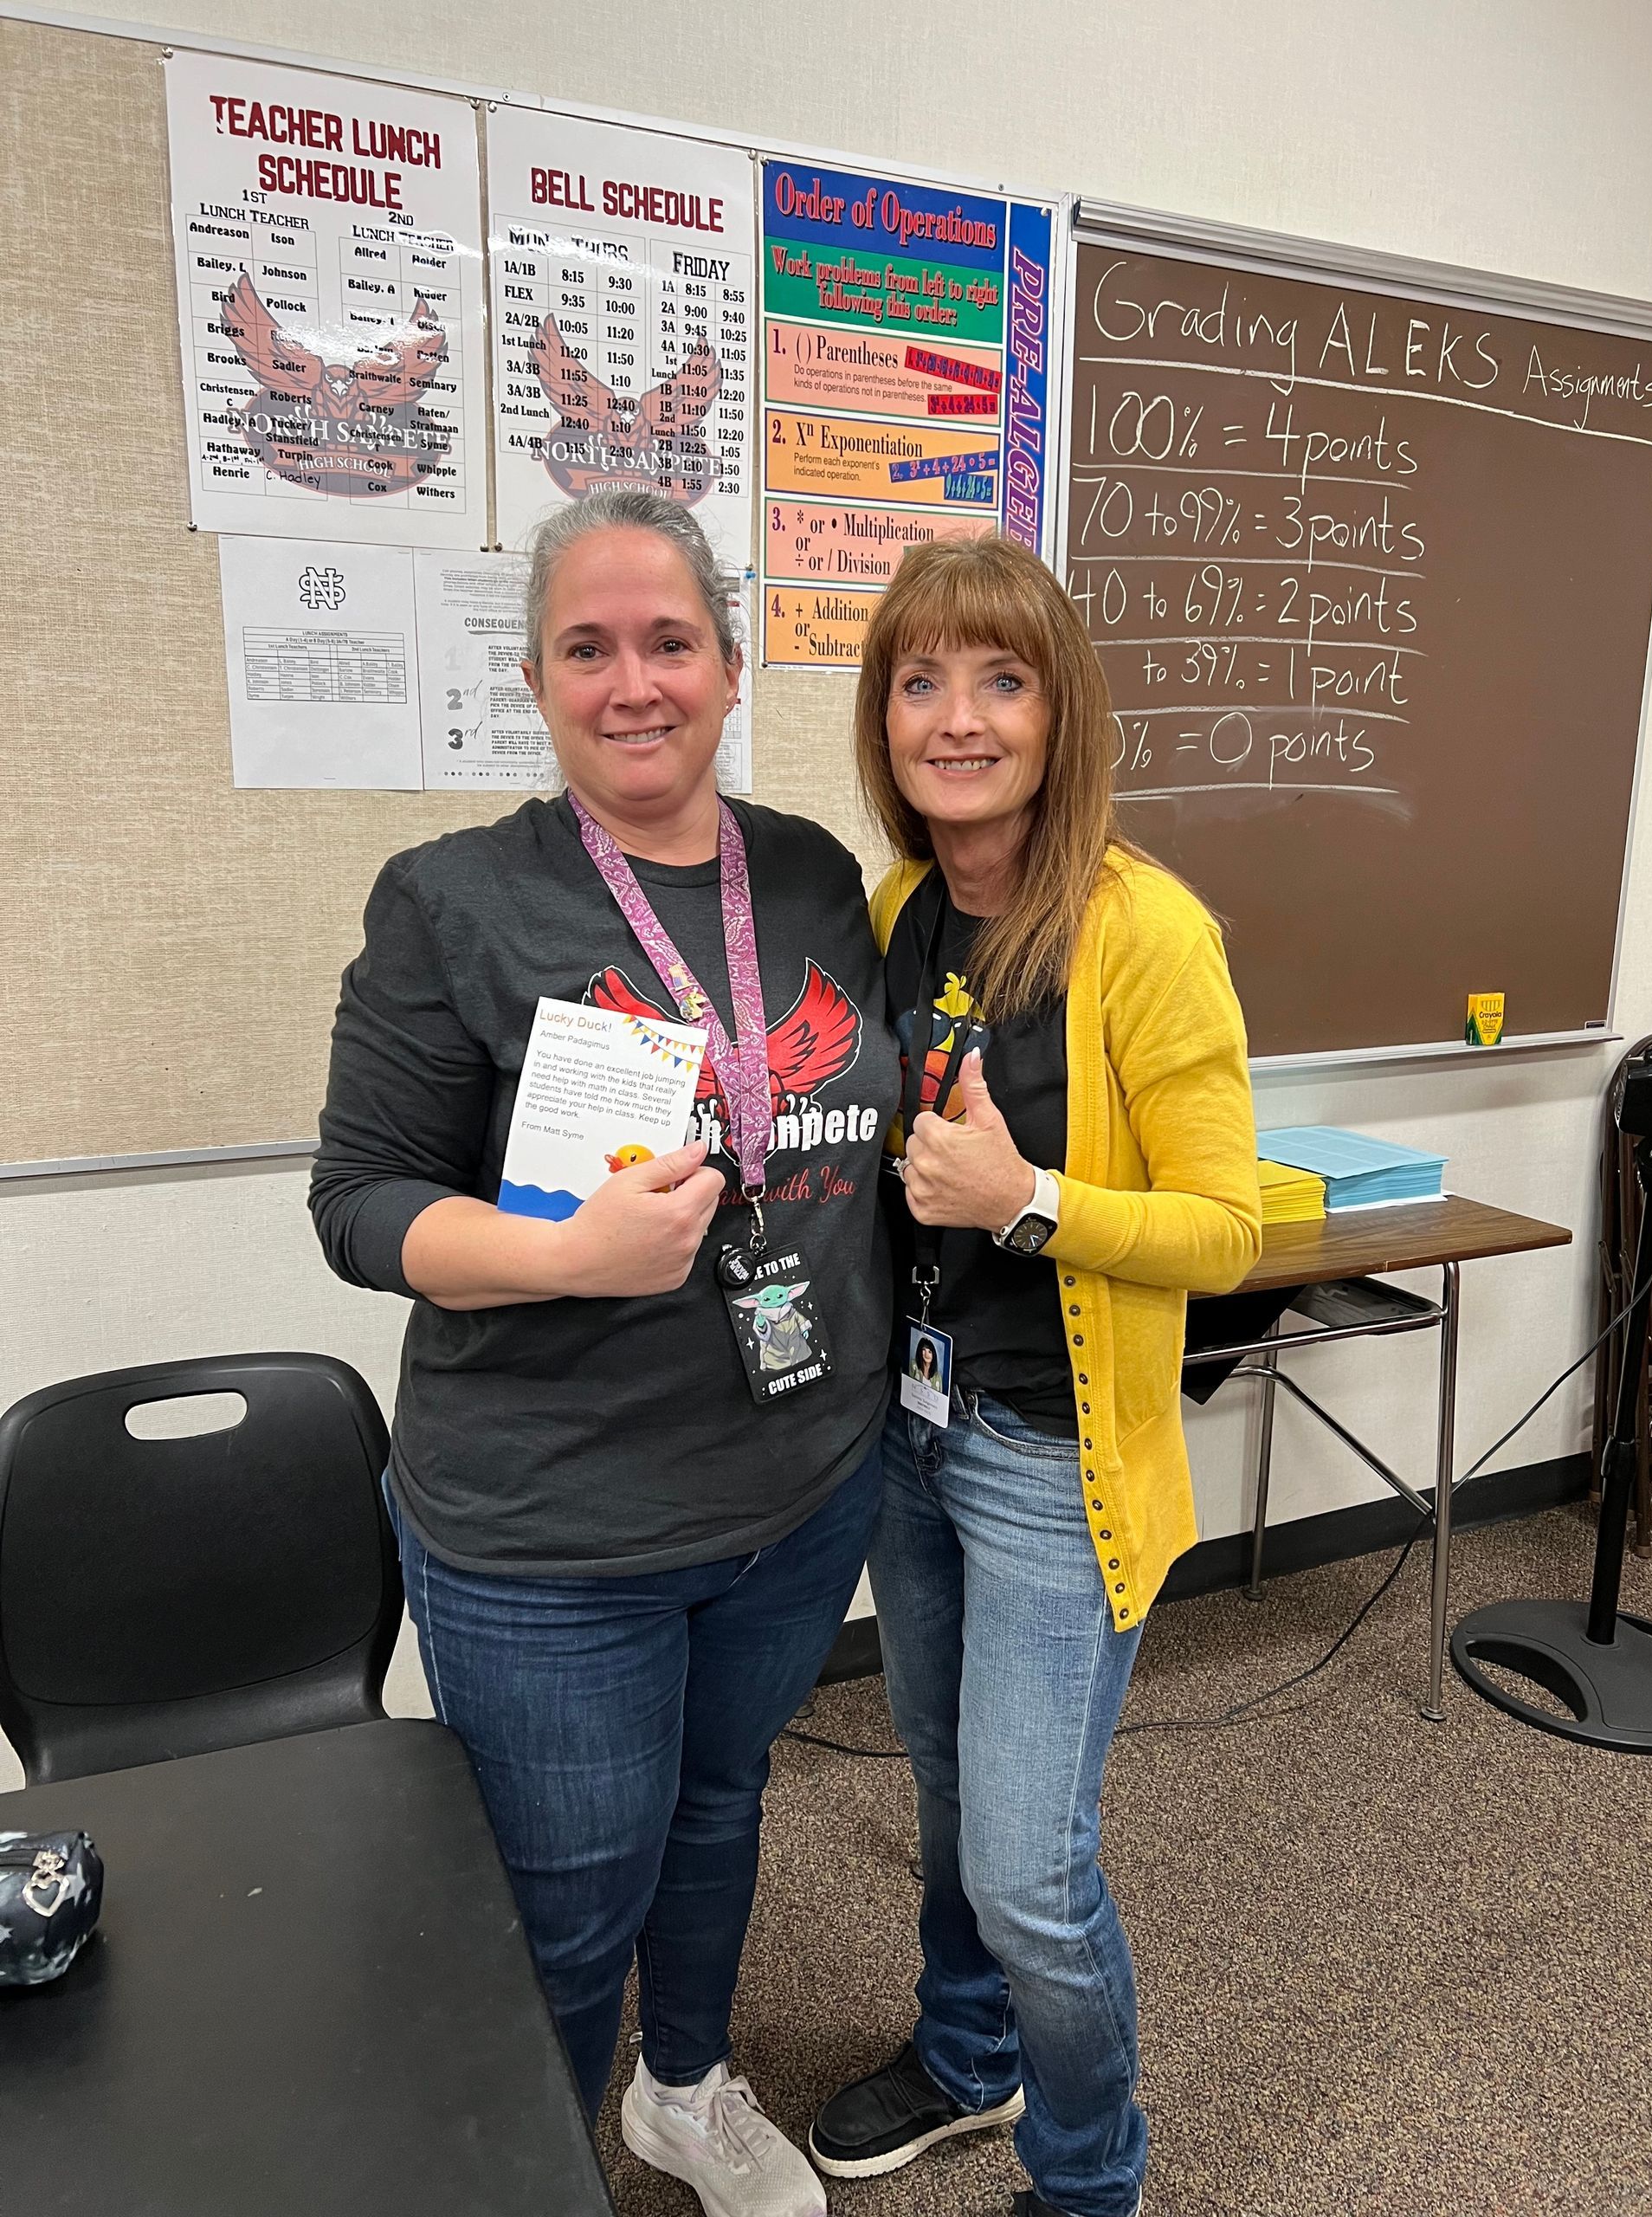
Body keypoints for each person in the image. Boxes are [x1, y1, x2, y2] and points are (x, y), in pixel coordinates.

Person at [310, 488, 900, 2217]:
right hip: (552, 1529)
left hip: (797, 1487)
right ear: (536, 678)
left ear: (728, 666)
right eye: (589, 646)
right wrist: (561, 1254)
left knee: (721, 1811)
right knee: (567, 1901)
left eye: (670, 641)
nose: (632, 680)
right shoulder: (453, 900)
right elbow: (358, 1204)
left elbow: (835, 1127)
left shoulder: (808, 873)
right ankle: (533, 2167)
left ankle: (684, 2087)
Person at [808, 534, 1262, 2217]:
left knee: (1031, 1861)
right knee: (942, 1784)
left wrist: (1034, 1200)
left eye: (1002, 677)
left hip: (1055, 1458)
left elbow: (1227, 1228)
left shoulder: (1145, 931)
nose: (959, 717)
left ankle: (1090, 2173)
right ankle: (967, 2050)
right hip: (910, 1437)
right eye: (921, 680)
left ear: (1061, 709)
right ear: (885, 718)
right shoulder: (897, 909)